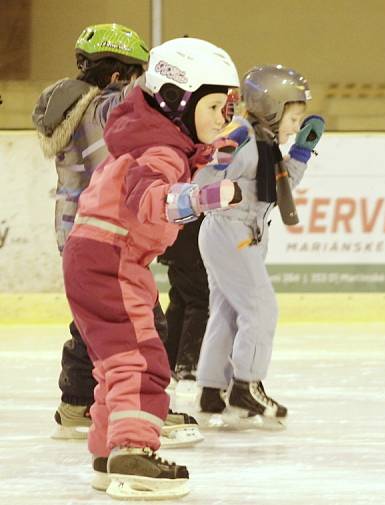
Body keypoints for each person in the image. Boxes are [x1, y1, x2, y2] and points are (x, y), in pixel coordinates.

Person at [61, 36, 242, 499]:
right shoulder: (157, 152)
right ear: (179, 101)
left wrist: (216, 152)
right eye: (217, 105)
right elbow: (149, 197)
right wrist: (200, 198)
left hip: (96, 255)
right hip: (112, 258)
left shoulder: (155, 139)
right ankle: (132, 450)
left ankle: (109, 452)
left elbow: (179, 163)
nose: (225, 116)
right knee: (140, 359)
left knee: (115, 361)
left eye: (229, 107)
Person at [32, 23, 201, 448]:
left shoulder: (64, 108)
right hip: (104, 227)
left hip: (71, 225)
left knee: (94, 317)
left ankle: (76, 401)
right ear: (116, 76)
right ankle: (141, 409)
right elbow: (141, 103)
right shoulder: (104, 109)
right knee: (140, 322)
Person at [193, 64, 324, 429]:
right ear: (271, 107)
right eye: (293, 118)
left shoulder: (263, 143)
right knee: (261, 309)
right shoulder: (241, 137)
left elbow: (277, 188)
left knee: (229, 311)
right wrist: (216, 192)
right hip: (229, 231)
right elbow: (204, 175)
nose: (296, 126)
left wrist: (300, 152)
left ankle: (211, 387)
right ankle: (245, 384)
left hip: (240, 232)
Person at [157, 216, 210, 383]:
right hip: (190, 243)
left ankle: (165, 361)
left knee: (180, 300)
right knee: (199, 300)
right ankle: (187, 365)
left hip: (176, 240)